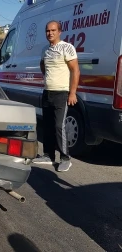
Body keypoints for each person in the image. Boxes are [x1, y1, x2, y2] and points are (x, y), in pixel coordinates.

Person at [32, 20, 80, 172]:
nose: (50, 33)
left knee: (59, 126)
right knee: (47, 125)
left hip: (62, 93)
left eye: (53, 30)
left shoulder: (67, 48)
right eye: (47, 31)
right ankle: (48, 155)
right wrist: (48, 79)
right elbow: (43, 65)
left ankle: (65, 158)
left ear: (60, 31)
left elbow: (75, 71)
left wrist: (72, 93)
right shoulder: (45, 49)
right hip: (47, 92)